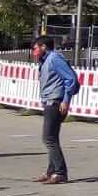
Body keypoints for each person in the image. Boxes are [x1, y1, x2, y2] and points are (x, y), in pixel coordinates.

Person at [32, 36, 79, 185]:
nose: (34, 51)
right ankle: (51, 171)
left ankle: (60, 172)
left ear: (44, 46)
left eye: (35, 48)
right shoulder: (46, 61)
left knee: (48, 138)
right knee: (52, 138)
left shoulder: (54, 59)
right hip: (50, 102)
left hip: (56, 103)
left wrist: (66, 100)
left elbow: (71, 79)